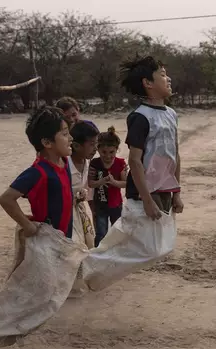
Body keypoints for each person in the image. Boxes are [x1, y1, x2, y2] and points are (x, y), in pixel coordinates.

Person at [120, 55, 183, 217]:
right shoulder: (140, 117)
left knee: (163, 240)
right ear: (147, 83)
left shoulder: (171, 114)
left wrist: (176, 192)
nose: (168, 79)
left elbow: (175, 154)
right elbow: (134, 161)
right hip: (144, 194)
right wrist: (147, 200)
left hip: (165, 189)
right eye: (162, 75)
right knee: (146, 241)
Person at [0, 106, 74, 238]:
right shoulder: (38, 172)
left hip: (65, 237)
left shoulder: (64, 162)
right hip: (47, 241)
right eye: (65, 134)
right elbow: (6, 199)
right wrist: (27, 225)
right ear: (47, 142)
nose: (71, 138)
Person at [88, 126, 128, 246]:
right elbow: (91, 183)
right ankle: (99, 255)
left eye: (111, 152)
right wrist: (102, 181)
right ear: (98, 149)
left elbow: (125, 183)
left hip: (116, 204)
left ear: (116, 150)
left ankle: (117, 253)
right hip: (100, 205)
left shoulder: (120, 163)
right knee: (101, 233)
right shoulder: (95, 163)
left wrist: (114, 182)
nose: (107, 156)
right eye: (104, 152)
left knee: (117, 231)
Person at [68, 120, 99, 248]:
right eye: (92, 144)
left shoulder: (87, 163)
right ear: (76, 146)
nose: (96, 148)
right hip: (65, 214)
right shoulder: (65, 165)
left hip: (78, 211)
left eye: (96, 144)